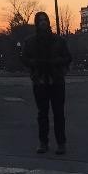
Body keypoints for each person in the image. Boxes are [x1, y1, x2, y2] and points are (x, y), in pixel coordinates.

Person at [21, 11, 72, 155]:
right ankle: (43, 143)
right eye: (40, 20)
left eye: (45, 20)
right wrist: (34, 64)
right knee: (42, 113)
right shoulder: (30, 42)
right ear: (37, 23)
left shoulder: (59, 41)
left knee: (58, 113)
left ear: (48, 22)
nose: (43, 22)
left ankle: (61, 143)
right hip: (40, 80)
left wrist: (57, 62)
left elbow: (68, 57)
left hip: (56, 80)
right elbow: (24, 59)